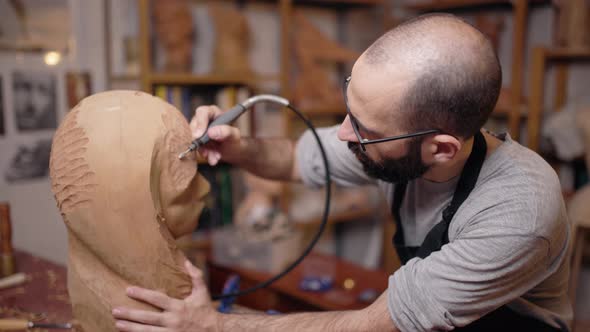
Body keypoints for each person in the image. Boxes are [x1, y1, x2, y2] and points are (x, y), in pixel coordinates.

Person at [112, 14, 572, 331]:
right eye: (349, 110)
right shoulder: (397, 139)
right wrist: (238, 147)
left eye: (365, 130)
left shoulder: (518, 211)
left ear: (440, 148)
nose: (344, 136)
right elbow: (295, 159)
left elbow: (373, 324)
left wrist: (215, 324)